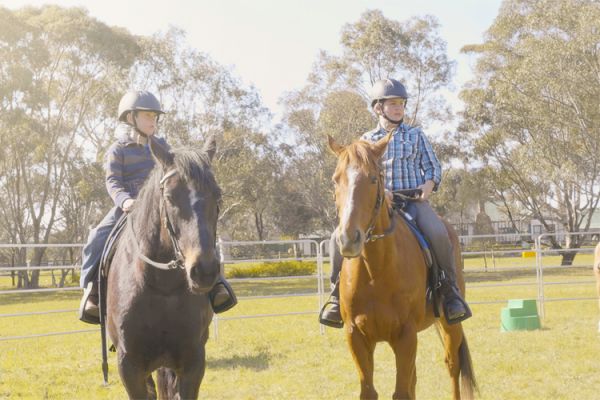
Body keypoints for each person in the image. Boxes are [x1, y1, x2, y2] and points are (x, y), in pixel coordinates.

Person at [319, 78, 472, 328]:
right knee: (338, 238)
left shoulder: (416, 135)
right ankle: (336, 296)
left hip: (413, 202)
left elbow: (433, 166)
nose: (398, 108)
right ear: (378, 108)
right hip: (381, 203)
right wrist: (383, 192)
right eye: (392, 104)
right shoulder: (366, 140)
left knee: (438, 232)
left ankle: (449, 292)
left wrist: (428, 186)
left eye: (401, 103)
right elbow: (360, 176)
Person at [78, 90, 236, 324]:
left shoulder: (164, 147)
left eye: (155, 116)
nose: (153, 121)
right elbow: (113, 181)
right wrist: (125, 201)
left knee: (196, 229)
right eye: (147, 116)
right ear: (131, 118)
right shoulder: (118, 149)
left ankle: (216, 285)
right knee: (96, 238)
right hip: (129, 207)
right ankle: (92, 293)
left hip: (161, 207)